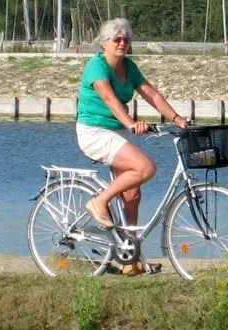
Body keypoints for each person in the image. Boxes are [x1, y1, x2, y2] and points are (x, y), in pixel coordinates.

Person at [75, 18, 188, 273]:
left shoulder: (129, 66)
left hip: (115, 133)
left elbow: (152, 94)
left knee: (132, 195)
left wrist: (178, 119)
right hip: (94, 133)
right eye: (117, 39)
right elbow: (110, 99)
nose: (123, 43)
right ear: (104, 43)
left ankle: (129, 257)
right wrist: (131, 122)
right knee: (146, 168)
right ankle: (99, 201)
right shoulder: (96, 66)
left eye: (126, 39)